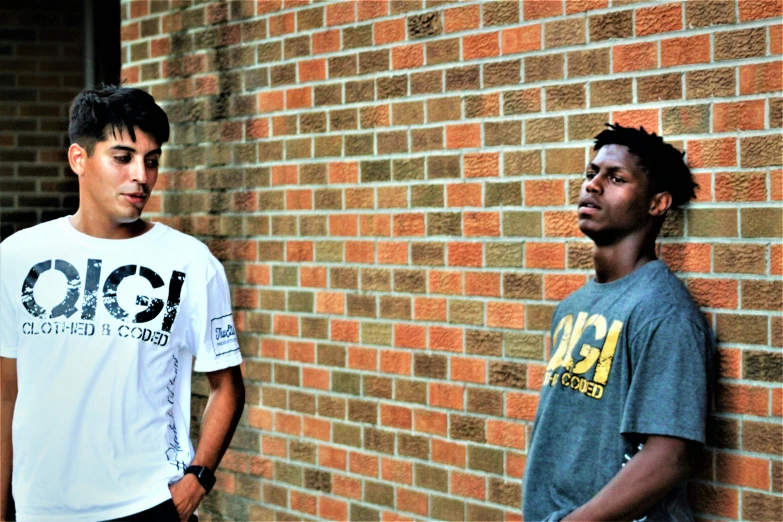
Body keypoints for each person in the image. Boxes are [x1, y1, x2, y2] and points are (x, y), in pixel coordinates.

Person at [0, 85, 245, 521]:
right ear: (79, 159)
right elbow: (6, 393)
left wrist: (197, 481)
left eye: (151, 161)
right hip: (41, 507)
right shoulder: (18, 257)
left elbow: (227, 386)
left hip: (147, 504)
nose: (142, 176)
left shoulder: (190, 262)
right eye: (123, 157)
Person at [522, 124, 715, 521]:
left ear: (657, 204)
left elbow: (670, 458)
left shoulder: (664, 313)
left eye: (616, 178)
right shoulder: (572, 307)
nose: (593, 185)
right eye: (591, 173)